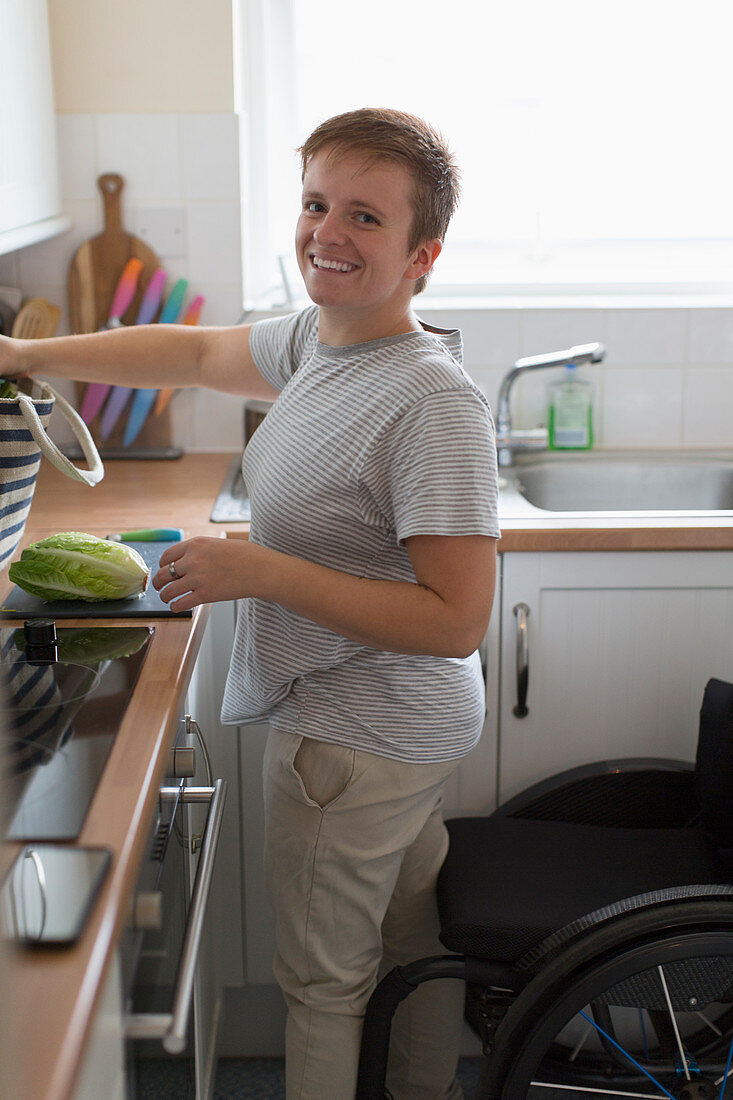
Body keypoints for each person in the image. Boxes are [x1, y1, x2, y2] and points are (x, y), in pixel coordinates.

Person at [1, 107, 500, 1099]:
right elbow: (191, 355)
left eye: (364, 215)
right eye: (317, 203)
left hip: (357, 737)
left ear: (421, 252)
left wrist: (256, 570)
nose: (326, 232)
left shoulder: (427, 398)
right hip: (395, 731)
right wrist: (24, 360)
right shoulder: (326, 342)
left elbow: (455, 619)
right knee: (411, 941)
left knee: (320, 985)